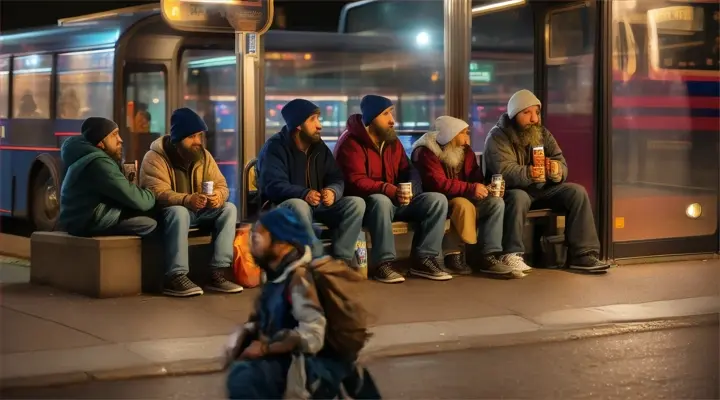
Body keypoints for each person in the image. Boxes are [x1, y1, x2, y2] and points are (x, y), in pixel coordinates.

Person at [224, 207, 380, 399]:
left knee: (245, 378)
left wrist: (265, 348)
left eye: (257, 239)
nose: (251, 246)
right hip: (290, 362)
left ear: (281, 243)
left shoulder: (300, 278)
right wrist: (246, 334)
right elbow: (270, 317)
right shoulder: (276, 276)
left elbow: (313, 335)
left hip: (310, 370)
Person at [483, 89, 611, 272]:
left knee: (577, 192)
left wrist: (556, 170)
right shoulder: (498, 136)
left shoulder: (541, 132)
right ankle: (512, 254)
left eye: (536, 112)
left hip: (542, 190)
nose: (534, 118)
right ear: (513, 115)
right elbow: (504, 171)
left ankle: (583, 255)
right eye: (527, 113)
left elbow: (561, 161)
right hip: (511, 191)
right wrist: (531, 173)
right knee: (519, 197)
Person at [334, 95, 450, 283]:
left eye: (391, 113)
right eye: (386, 114)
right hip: (366, 206)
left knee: (437, 200)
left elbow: (407, 169)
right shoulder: (350, 142)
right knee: (381, 200)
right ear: (372, 118)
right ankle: (383, 264)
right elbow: (355, 181)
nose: (392, 120)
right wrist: (389, 189)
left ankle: (423, 259)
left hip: (397, 200)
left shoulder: (391, 141)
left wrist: (412, 187)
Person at [139, 107, 243, 297]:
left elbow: (222, 186)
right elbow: (156, 193)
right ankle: (176, 276)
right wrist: (187, 199)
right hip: (166, 215)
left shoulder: (204, 156)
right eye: (192, 137)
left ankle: (218, 272)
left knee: (228, 208)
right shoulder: (154, 157)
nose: (198, 142)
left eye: (199, 136)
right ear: (177, 139)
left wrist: (217, 197)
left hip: (197, 212)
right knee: (178, 211)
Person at [257, 98, 365, 264]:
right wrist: (304, 194)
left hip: (317, 205)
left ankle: (340, 262)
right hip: (284, 207)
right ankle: (318, 261)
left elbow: (336, 176)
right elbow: (273, 186)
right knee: (299, 205)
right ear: (298, 125)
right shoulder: (275, 147)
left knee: (356, 204)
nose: (319, 125)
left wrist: (332, 191)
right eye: (313, 119)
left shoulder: (318, 147)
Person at [412, 116, 520, 277]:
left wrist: (486, 188)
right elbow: (437, 184)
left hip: (465, 195)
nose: (467, 137)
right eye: (463, 133)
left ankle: (488, 255)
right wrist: (471, 188)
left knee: (495, 202)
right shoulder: (426, 152)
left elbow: (475, 178)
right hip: (437, 200)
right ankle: (453, 255)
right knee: (462, 205)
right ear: (451, 134)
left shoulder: (465, 151)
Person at [58, 117, 157, 237]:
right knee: (149, 224)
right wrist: (153, 193)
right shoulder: (98, 164)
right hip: (88, 223)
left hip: (78, 221)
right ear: (100, 142)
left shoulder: (86, 156)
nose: (120, 140)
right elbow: (140, 201)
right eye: (114, 135)